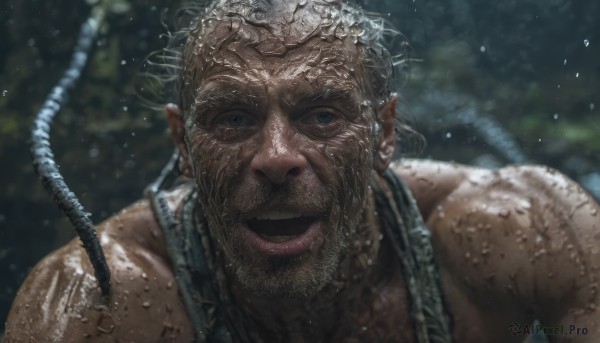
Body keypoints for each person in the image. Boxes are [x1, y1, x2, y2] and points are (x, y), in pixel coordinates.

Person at [5, 0, 600, 342]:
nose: (275, 158)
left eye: (320, 114)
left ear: (383, 134)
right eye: (234, 117)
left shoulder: (526, 231)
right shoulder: (96, 305)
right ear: (182, 143)